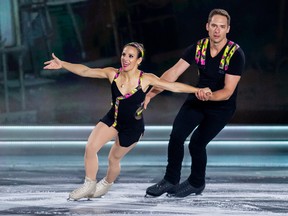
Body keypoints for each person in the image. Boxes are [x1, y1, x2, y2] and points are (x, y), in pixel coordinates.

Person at [43, 42, 212, 201]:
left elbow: (173, 86)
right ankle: (89, 184)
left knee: (113, 159)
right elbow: (86, 71)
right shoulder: (112, 73)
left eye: (131, 56)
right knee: (91, 147)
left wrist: (198, 90)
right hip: (113, 119)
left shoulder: (146, 79)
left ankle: (106, 183)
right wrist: (63, 64)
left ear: (138, 60)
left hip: (132, 128)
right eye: (124, 54)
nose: (125, 59)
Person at [145, 9, 245, 198]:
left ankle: (196, 183)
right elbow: (173, 73)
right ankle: (171, 180)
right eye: (214, 25)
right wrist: (151, 94)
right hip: (198, 99)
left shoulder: (235, 54)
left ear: (227, 29)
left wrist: (208, 96)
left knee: (197, 144)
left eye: (222, 27)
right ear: (207, 27)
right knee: (176, 135)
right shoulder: (198, 48)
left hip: (221, 107)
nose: (217, 30)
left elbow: (227, 92)